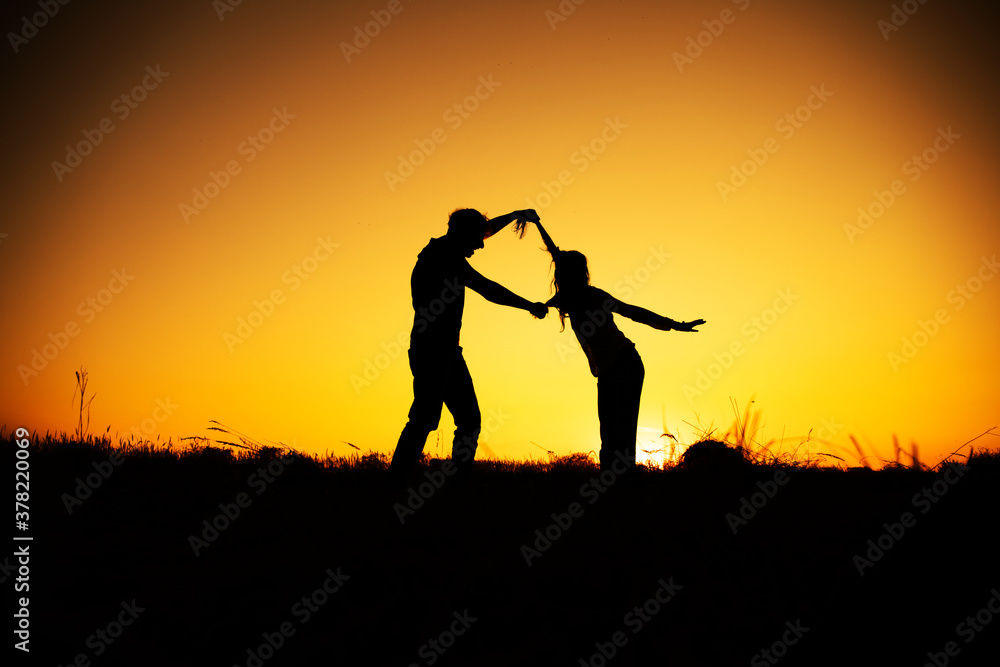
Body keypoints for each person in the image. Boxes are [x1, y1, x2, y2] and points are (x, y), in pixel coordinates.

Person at [528, 218, 706, 471]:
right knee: (609, 426)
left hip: (625, 363)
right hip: (610, 368)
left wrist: (674, 324)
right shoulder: (565, 297)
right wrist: (536, 223)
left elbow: (633, 312)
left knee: (621, 426)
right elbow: (555, 252)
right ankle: (613, 478)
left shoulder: (594, 296)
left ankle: (622, 477)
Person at [390, 208, 548, 483]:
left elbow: (483, 232)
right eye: (477, 238)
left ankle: (452, 481)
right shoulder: (445, 258)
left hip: (446, 351)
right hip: (434, 351)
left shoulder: (443, 249)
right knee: (425, 419)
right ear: (463, 233)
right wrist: (528, 305)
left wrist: (513, 215)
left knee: (466, 420)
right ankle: (397, 481)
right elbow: (488, 289)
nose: (481, 244)